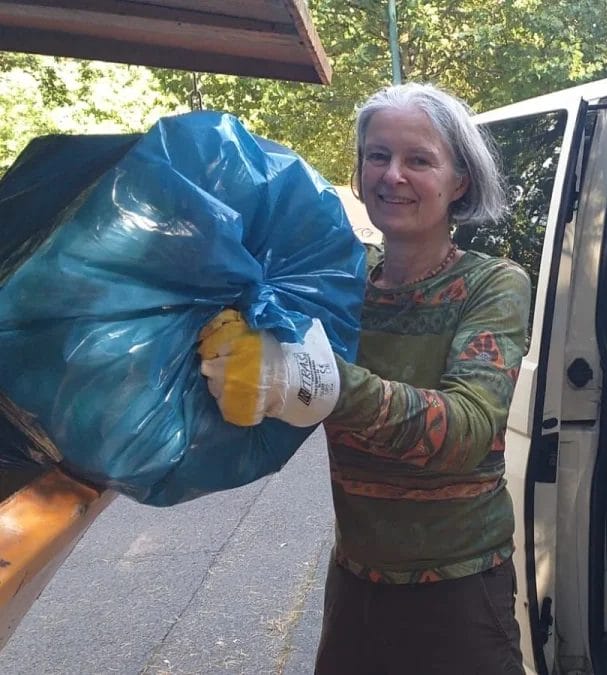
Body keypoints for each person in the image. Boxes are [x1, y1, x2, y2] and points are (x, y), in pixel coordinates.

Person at [197, 82, 531, 675]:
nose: (392, 175)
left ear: (459, 183)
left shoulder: (494, 285)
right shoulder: (338, 286)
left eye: (419, 159)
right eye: (378, 155)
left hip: (459, 588)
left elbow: (466, 430)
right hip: (357, 579)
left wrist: (310, 378)